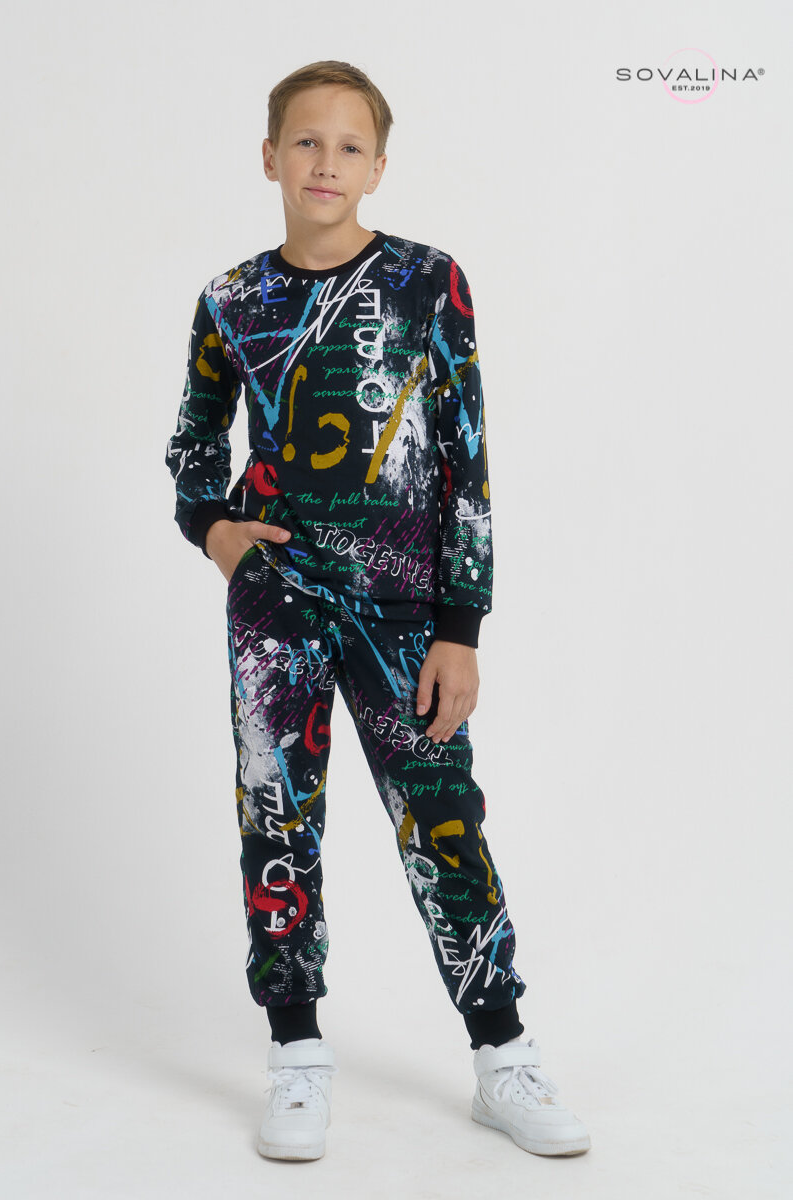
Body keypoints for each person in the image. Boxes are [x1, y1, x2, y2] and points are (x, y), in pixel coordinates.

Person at [165, 59, 591, 1162]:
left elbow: (465, 460)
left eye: (349, 147)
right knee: (277, 821)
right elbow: (193, 444)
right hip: (277, 603)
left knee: (443, 817)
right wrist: (216, 533)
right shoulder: (231, 299)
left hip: (406, 612)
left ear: (379, 167)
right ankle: (296, 1054)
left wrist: (461, 626)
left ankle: (502, 1052)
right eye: (306, 142)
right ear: (270, 157)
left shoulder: (428, 283)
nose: (326, 163)